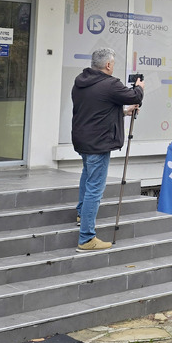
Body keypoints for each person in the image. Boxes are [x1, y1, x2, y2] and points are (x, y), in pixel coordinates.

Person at [72, 48, 144, 251]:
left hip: (84, 141)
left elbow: (97, 110)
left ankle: (81, 214)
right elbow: (134, 97)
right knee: (95, 189)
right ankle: (86, 238)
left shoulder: (80, 82)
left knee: (87, 178)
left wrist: (123, 112)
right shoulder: (110, 84)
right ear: (108, 65)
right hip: (99, 143)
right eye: (113, 63)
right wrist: (139, 87)